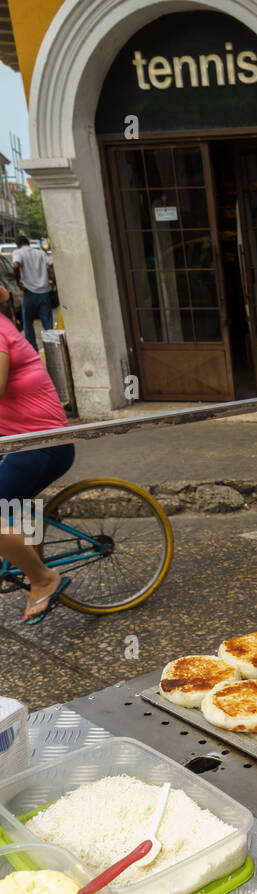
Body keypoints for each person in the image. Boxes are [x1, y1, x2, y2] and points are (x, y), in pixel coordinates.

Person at [0, 284, 74, 622]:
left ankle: (43, 578)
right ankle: (21, 542)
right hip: (19, 441)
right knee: (11, 504)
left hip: (40, 443)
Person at [12, 235, 55, 352]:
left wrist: (18, 282)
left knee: (28, 323)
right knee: (47, 323)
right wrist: (54, 282)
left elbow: (15, 265)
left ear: (18, 244)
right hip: (44, 292)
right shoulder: (40, 253)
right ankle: (53, 350)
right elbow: (52, 264)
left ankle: (33, 351)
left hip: (29, 292)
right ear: (28, 243)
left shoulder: (18, 252)